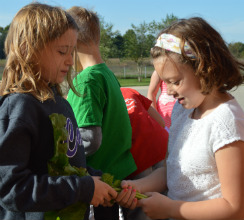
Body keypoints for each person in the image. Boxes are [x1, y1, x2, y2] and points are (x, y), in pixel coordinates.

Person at [116, 17, 244, 220]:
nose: (168, 92)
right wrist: (135, 186)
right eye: (165, 83)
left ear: (204, 68)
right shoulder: (182, 112)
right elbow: (173, 172)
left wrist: (172, 209)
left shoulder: (226, 122)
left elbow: (236, 208)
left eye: (175, 82)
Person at [0, 3, 117, 220]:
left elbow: (68, 167)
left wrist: (100, 183)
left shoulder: (59, 102)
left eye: (72, 52)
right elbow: (11, 189)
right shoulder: (20, 107)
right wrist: (82, 189)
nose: (70, 61)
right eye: (62, 51)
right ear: (28, 49)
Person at [66, 7, 137, 220]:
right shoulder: (107, 73)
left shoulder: (85, 81)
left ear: (73, 40)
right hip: (116, 175)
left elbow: (89, 140)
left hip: (97, 184)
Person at [120, 87, 168, 220]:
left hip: (137, 159)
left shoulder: (101, 99)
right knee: (166, 205)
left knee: (141, 209)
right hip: (161, 147)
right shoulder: (128, 91)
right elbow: (161, 122)